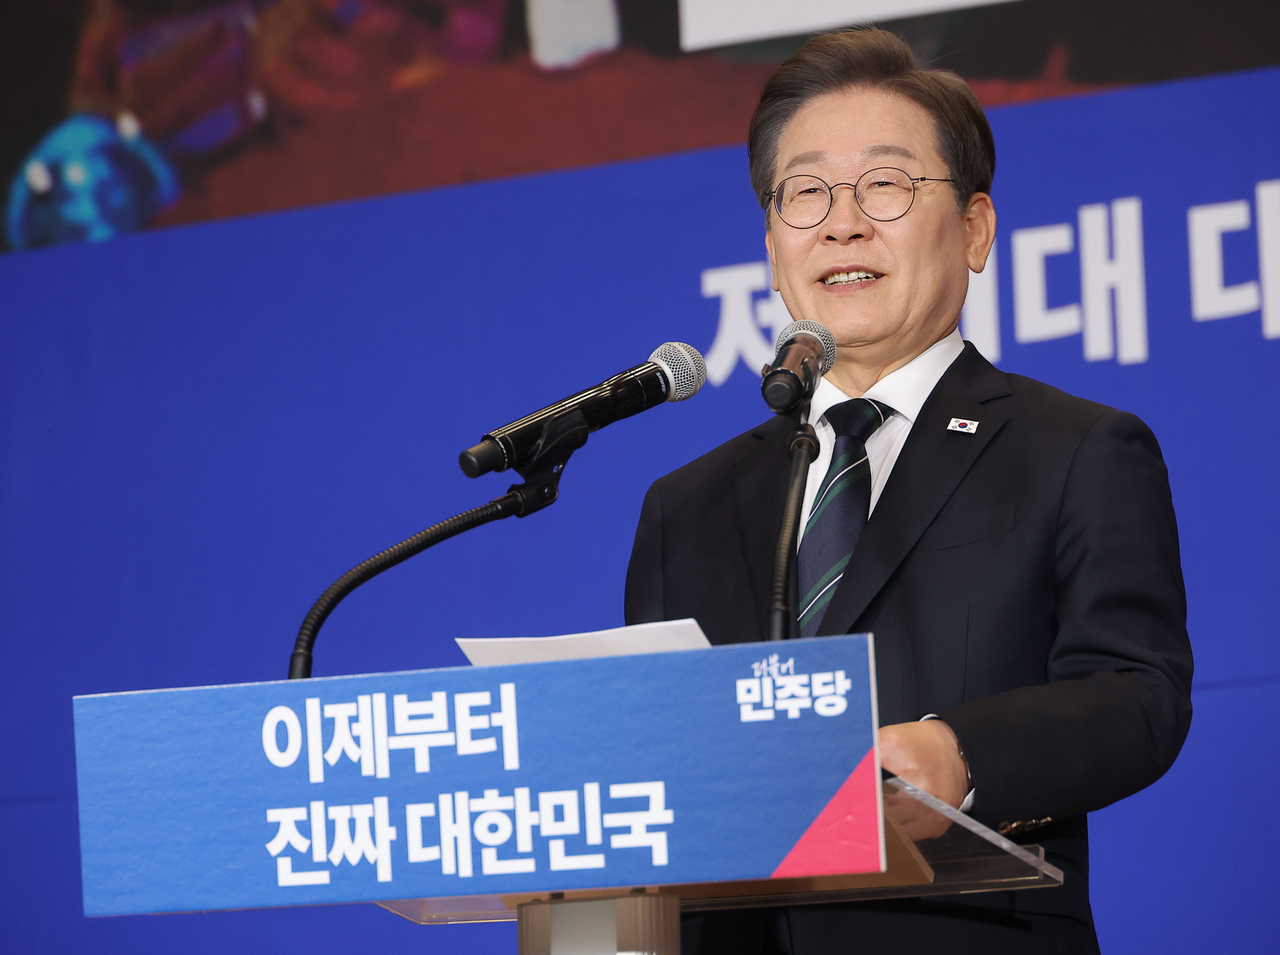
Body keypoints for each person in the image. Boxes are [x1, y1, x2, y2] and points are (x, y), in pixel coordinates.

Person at [624, 27, 1192, 954]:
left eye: (884, 184)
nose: (842, 224)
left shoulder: (1076, 449)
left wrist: (961, 753)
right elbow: (656, 758)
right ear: (772, 245)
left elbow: (1137, 696)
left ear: (974, 229)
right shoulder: (684, 504)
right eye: (806, 192)